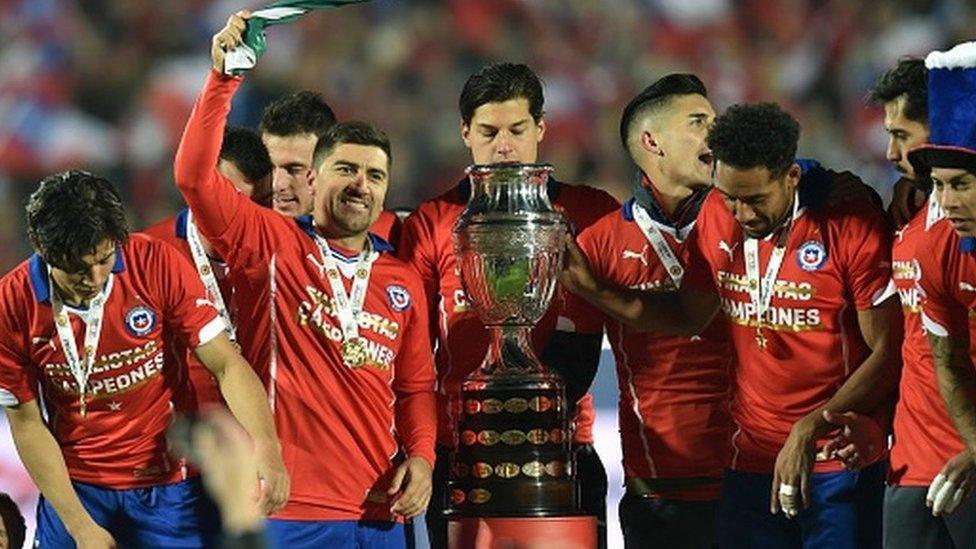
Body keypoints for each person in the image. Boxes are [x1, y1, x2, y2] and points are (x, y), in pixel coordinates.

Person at [563, 102, 902, 548]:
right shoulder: (716, 216)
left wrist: (811, 427)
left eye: (757, 200)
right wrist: (596, 290)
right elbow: (688, 314)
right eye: (730, 197)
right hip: (748, 467)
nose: (741, 214)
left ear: (792, 177)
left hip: (834, 465)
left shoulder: (849, 226)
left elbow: (888, 351)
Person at [173, 12, 435, 547]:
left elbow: (415, 388)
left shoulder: (401, 278)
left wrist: (425, 459)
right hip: (289, 509)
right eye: (346, 169)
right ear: (314, 180)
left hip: (384, 514)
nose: (360, 185)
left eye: (375, 175)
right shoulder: (271, 245)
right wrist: (225, 78)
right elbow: (193, 178)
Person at [0, 170, 288, 548]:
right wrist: (79, 525)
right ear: (41, 247)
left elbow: (226, 363)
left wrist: (266, 445)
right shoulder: (10, 303)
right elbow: (26, 423)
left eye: (104, 259)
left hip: (167, 485)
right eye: (77, 267)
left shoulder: (154, 263)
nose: (95, 277)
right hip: (77, 486)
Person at [397, 62, 618, 549]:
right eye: (488, 131)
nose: (503, 145)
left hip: (564, 449)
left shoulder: (592, 214)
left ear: (540, 128)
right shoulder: (431, 224)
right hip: (461, 450)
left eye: (517, 130)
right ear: (464, 133)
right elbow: (413, 356)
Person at [562, 73, 732, 547]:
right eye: (698, 122)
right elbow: (569, 367)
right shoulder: (599, 243)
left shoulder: (744, 219)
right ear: (651, 141)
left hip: (750, 474)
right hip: (657, 488)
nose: (713, 134)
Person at [872, 56, 976, 547]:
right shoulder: (914, 223)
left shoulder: (956, 232)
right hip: (913, 463)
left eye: (902, 134)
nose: (891, 151)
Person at [144, 125, 273, 413]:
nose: (245, 220)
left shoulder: (280, 254)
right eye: (232, 201)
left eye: (261, 205)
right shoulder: (149, 255)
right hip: (179, 437)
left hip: (264, 432)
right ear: (203, 189)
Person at [906, 40, 976, 547]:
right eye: (939, 185)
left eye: (963, 185)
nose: (947, 203)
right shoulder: (934, 245)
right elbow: (947, 362)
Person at [259, 76, 401, 244]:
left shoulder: (391, 235)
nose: (277, 185)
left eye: (295, 170)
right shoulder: (241, 231)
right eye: (270, 169)